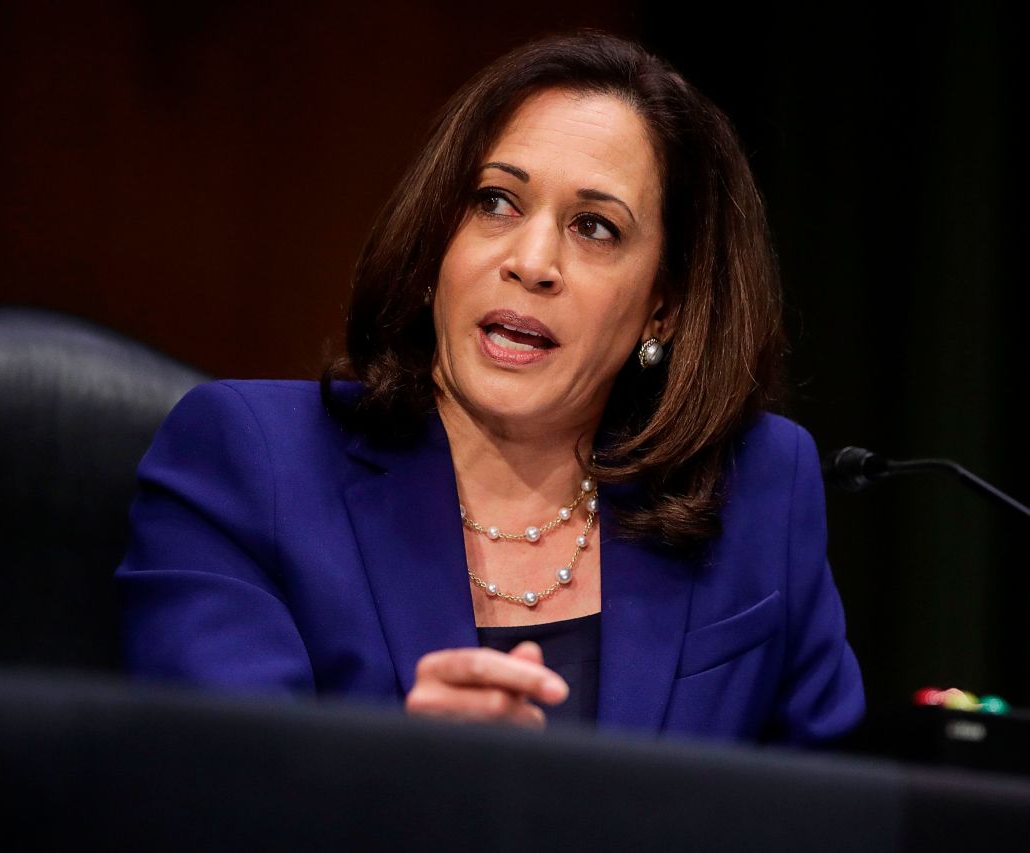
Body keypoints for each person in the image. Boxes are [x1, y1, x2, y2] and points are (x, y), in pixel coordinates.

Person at [115, 32, 864, 745]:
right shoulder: (249, 464)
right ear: (440, 236)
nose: (532, 260)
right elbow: (219, 791)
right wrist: (412, 787)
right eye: (495, 202)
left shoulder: (756, 492)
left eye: (595, 227)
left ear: (664, 303)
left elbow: (829, 810)